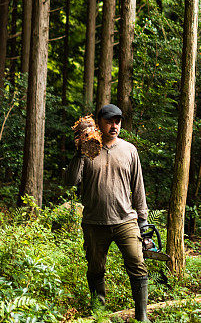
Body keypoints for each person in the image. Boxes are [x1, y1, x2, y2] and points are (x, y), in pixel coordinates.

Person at [64, 103, 150, 321]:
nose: (114, 126)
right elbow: (71, 182)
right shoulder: (89, 149)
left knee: (137, 265)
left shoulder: (129, 150)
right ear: (99, 123)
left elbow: (138, 187)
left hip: (125, 221)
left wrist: (143, 221)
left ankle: (142, 317)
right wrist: (79, 153)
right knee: (95, 270)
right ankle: (98, 314)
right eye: (109, 121)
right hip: (94, 222)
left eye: (118, 121)